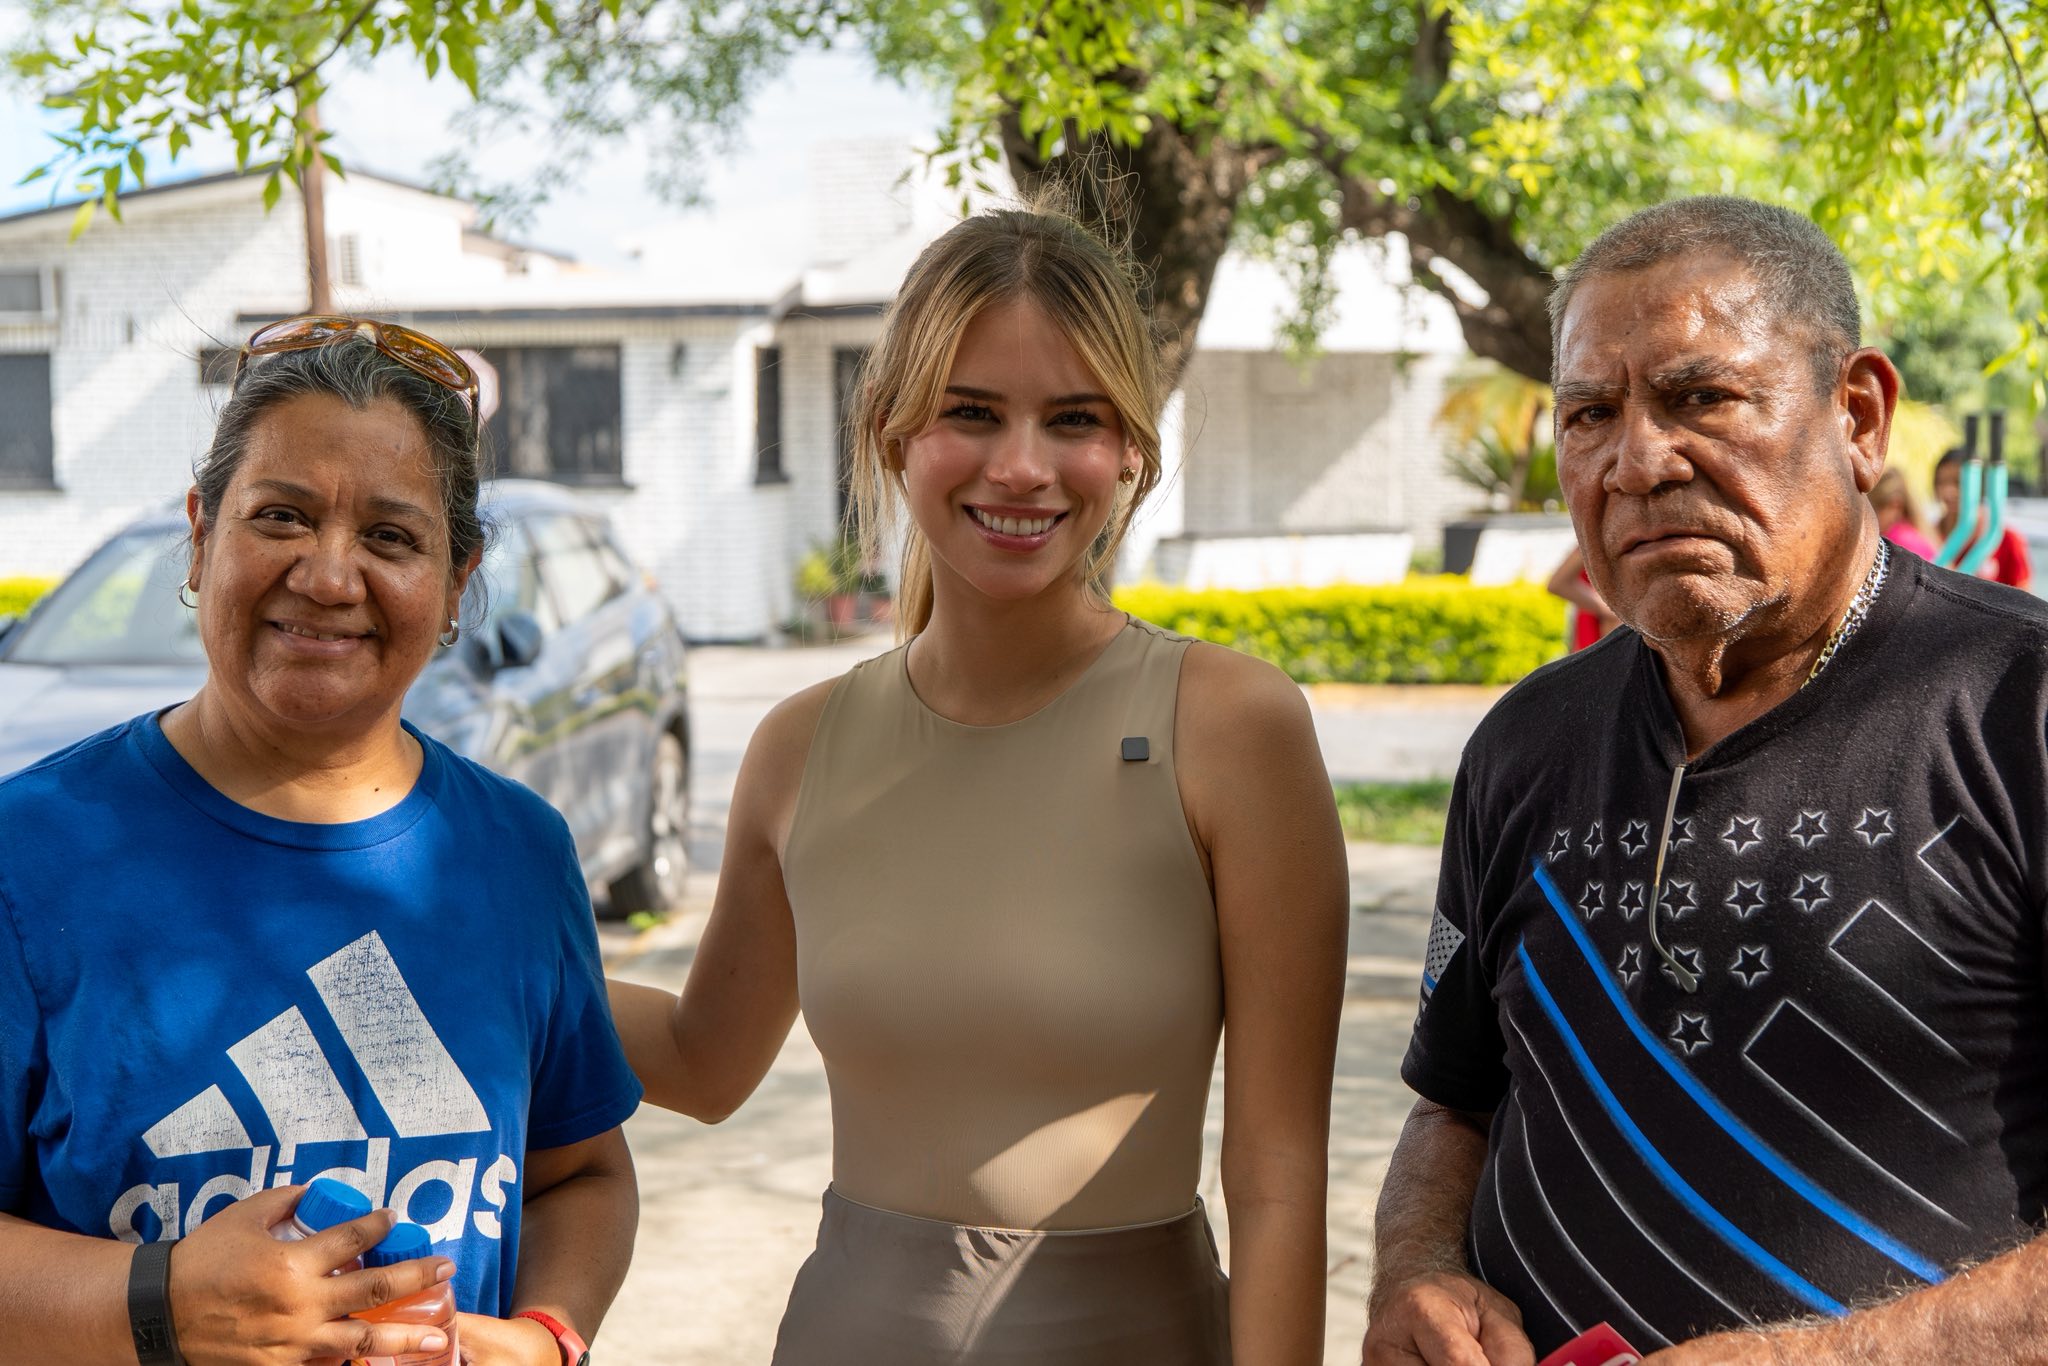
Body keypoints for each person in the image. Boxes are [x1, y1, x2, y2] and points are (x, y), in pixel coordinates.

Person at [609, 207, 1348, 1365]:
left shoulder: (1231, 727)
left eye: (1072, 420)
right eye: (970, 412)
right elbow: (704, 1062)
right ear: (892, 429)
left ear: (1129, 450)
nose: (1020, 466)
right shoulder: (799, 746)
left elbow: (1274, 1175)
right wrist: (502, 935)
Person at [1361, 196, 2048, 1365]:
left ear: (1858, 413)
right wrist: (1416, 1267)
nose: (1636, 461)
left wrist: (1809, 1359)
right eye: (1588, 413)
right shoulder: (1523, 744)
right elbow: (1454, 1099)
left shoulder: (2014, 710)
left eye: (1699, 398)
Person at [0, 317, 642, 1366]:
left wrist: (542, 1339)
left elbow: (582, 1173)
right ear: (204, 535)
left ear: (456, 580)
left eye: (390, 538)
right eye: (281, 516)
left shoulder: (517, 853)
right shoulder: (27, 856)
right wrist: (156, 1299)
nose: (330, 577)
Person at [1933, 445, 2032, 589]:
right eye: (1942, 482)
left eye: (1958, 482)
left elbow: (2025, 601)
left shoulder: (2006, 540)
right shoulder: (1928, 536)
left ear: (1977, 484)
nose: (1948, 491)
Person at [1545, 545, 1617, 650]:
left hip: (1606, 623)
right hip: (1594, 621)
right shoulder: (1594, 540)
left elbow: (1557, 584)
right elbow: (1557, 585)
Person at [1867, 466, 1937, 560]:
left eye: (1875, 509)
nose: (1869, 516)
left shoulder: (1897, 540)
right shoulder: (1917, 533)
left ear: (1895, 505)